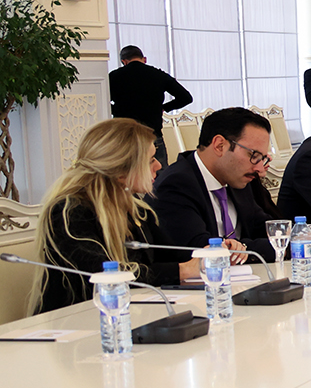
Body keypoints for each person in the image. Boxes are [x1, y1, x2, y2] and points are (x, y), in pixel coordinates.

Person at [31, 119, 202, 313]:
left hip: (127, 314)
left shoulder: (135, 208)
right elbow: (107, 275)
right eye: (150, 160)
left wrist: (207, 255)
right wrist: (182, 270)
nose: (158, 165)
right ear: (121, 173)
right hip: (76, 319)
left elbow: (172, 256)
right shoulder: (68, 212)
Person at [148, 107, 278, 260]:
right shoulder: (175, 185)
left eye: (262, 158)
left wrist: (295, 237)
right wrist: (274, 246)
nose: (259, 168)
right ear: (219, 145)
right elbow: (203, 249)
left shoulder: (236, 176)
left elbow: (263, 227)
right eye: (253, 155)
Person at [107, 45, 192, 164]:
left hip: (125, 136)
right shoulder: (158, 75)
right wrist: (163, 108)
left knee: (126, 173)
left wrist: (117, 110)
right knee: (158, 172)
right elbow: (186, 98)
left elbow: (104, 101)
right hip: (152, 135)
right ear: (144, 59)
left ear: (124, 62)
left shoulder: (114, 76)